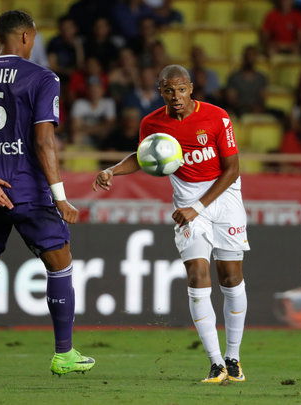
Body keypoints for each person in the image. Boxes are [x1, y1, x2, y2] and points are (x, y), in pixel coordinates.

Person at [0, 10, 95, 383]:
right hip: (27, 191)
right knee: (60, 262)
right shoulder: (43, 78)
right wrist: (60, 197)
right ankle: (63, 354)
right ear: (26, 36)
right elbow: (44, 141)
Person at [94, 64, 249, 383]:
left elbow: (232, 169)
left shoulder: (217, 117)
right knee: (197, 274)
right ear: (160, 92)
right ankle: (216, 363)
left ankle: (233, 357)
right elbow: (143, 156)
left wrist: (198, 207)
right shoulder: (152, 123)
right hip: (186, 203)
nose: (175, 96)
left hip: (224, 198)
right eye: (168, 90)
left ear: (191, 88)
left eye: (180, 89)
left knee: (231, 278)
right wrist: (112, 170)